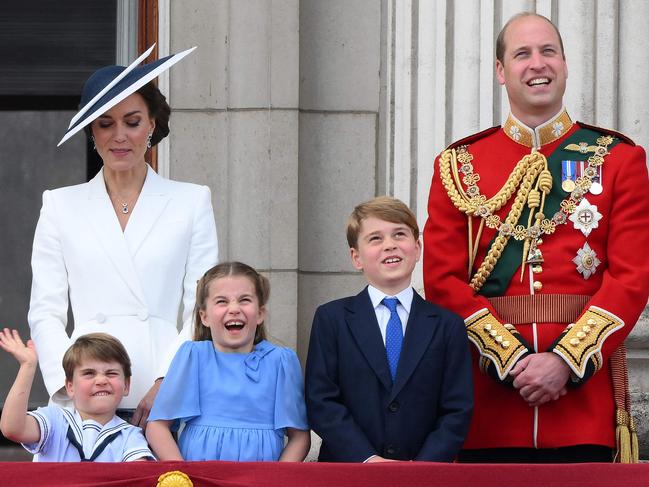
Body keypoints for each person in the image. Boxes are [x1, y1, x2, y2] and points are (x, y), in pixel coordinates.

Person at [423, 12, 649, 463]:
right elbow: (443, 282)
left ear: (565, 64)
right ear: (501, 72)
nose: (537, 63)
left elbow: (631, 279)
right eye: (522, 54)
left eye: (548, 51)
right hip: (488, 407)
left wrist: (564, 362)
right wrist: (512, 362)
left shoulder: (619, 160)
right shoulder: (458, 164)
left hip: (581, 408)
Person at [28, 45, 219, 428]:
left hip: (162, 392)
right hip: (82, 393)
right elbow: (45, 312)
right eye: (105, 123)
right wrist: (71, 385)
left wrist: (168, 380)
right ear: (90, 131)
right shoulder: (60, 205)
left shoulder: (191, 200)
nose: (119, 136)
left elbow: (202, 307)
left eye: (132, 122)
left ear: (151, 124)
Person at [305, 196, 473, 462]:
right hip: (349, 472)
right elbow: (321, 401)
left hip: (422, 476)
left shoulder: (447, 325)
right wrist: (367, 459)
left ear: (417, 248)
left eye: (399, 234)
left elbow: (457, 409)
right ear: (356, 257)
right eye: (375, 239)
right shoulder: (332, 319)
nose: (390, 245)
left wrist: (420, 469)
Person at [146, 261, 310, 461]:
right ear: (204, 316)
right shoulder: (193, 357)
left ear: (260, 314)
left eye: (244, 300)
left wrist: (276, 479)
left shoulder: (281, 362)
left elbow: (299, 436)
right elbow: (157, 426)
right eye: (222, 301)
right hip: (200, 478)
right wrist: (182, 474)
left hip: (260, 480)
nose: (234, 308)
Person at [0, 329, 154, 462]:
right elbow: (12, 429)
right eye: (89, 373)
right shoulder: (55, 420)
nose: (101, 380)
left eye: (111, 373)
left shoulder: (130, 436)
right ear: (70, 386)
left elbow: (137, 477)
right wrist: (28, 366)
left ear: (126, 385)